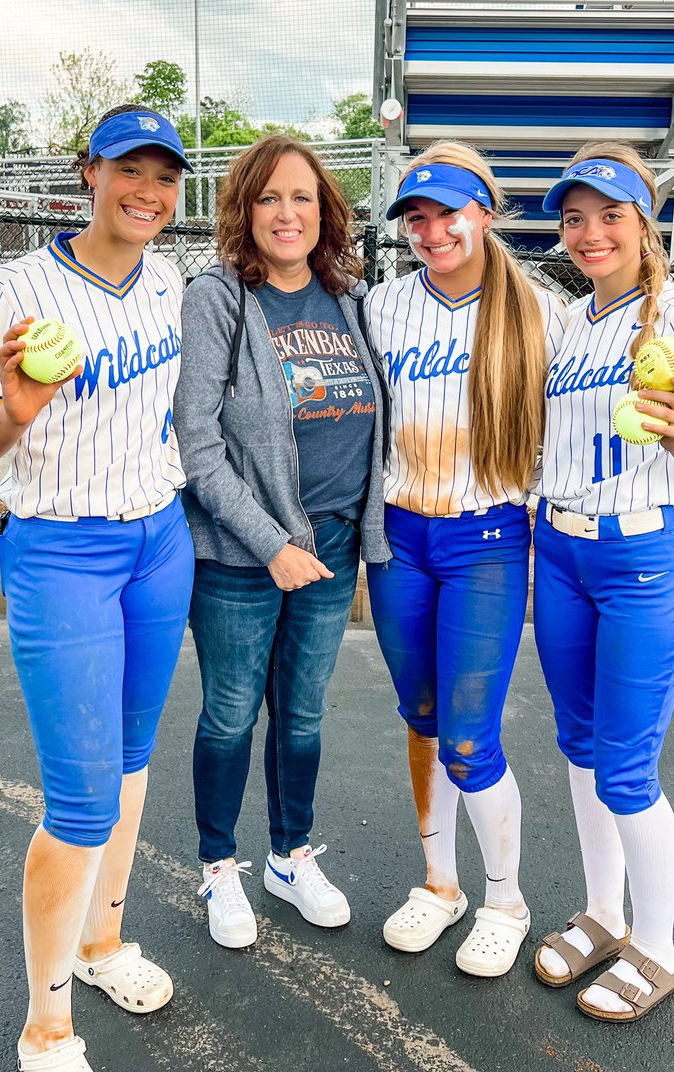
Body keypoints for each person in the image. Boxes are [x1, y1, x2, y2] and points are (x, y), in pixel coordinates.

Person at [0, 106, 196, 1072]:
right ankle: (45, 1026)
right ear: (86, 173)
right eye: (128, 169)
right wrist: (12, 409)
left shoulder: (168, 278)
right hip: (61, 551)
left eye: (165, 175)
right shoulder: (16, 285)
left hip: (157, 541)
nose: (147, 190)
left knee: (131, 762)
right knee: (80, 799)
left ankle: (102, 944)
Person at [531, 142, 674, 1020]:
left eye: (609, 214)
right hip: (561, 551)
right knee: (580, 750)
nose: (589, 233)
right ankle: (604, 912)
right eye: (574, 217)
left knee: (626, 766)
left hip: (641, 559)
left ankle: (657, 947)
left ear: (643, 220)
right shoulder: (571, 323)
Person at [173, 134, 391, 949]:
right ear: (244, 210)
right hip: (242, 556)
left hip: (331, 547)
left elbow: (376, 424)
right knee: (231, 715)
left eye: (302, 197)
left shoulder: (350, 296)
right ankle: (219, 867)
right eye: (268, 198)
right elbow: (198, 446)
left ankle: (290, 856)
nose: (286, 213)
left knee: (300, 715)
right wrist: (270, 543)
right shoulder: (218, 297)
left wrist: (360, 541)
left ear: (326, 209)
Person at [364, 141, 567, 977]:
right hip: (400, 537)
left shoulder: (543, 310)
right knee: (423, 720)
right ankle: (439, 885)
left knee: (470, 740)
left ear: (485, 212)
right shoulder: (380, 307)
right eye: (416, 216)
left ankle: (506, 899)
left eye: (448, 211)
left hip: (487, 537)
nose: (432, 230)